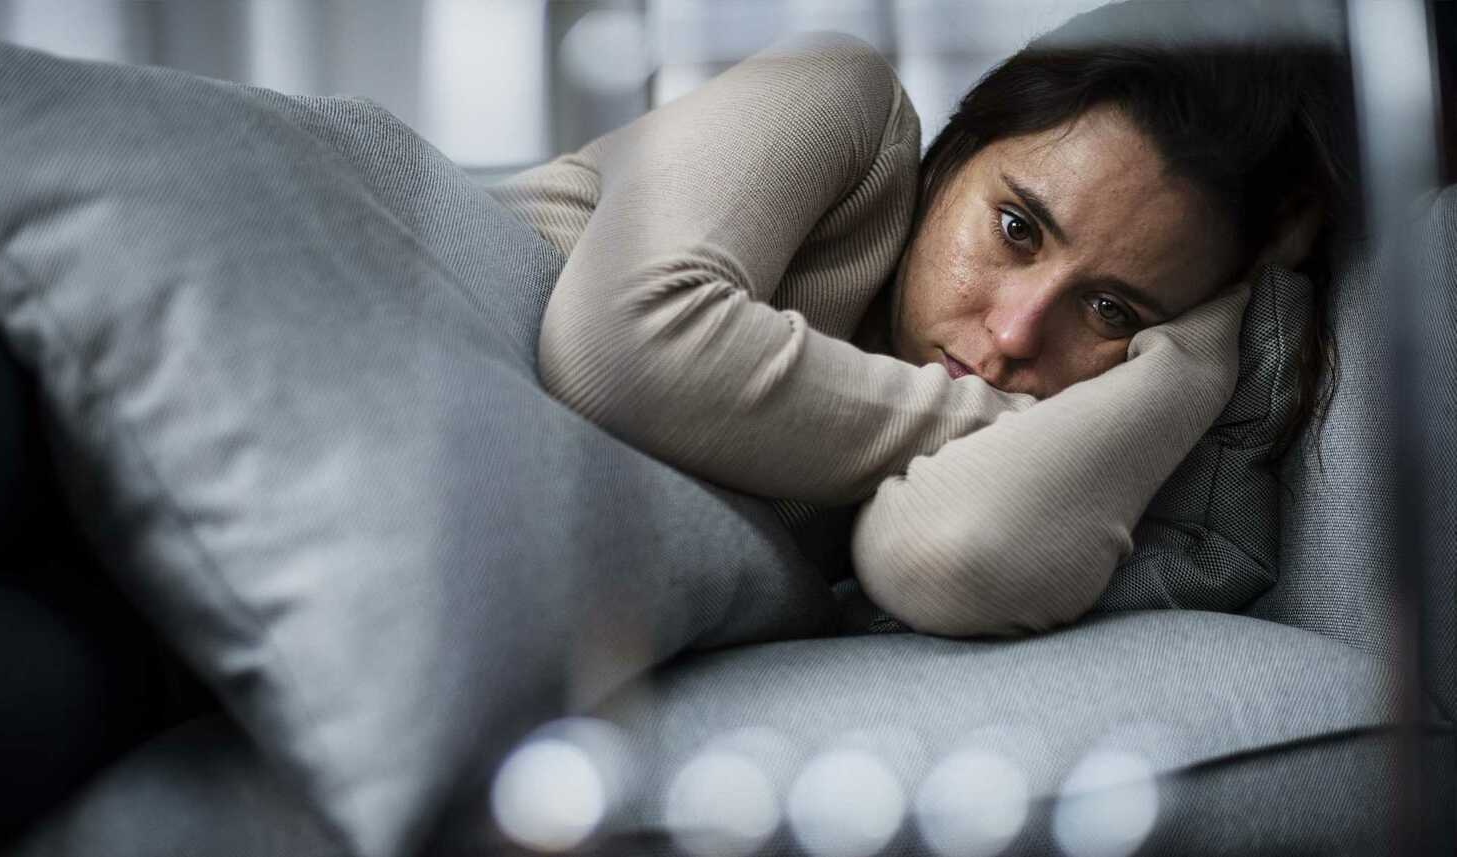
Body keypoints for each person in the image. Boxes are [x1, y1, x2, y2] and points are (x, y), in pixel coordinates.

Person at [486, 0, 1355, 638]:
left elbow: (952, 552)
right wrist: (1010, 420)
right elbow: (621, 348)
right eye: (1017, 228)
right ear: (954, 156)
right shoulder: (835, 93)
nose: (1015, 333)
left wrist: (1204, 346)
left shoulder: (942, 474)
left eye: (1110, 309)